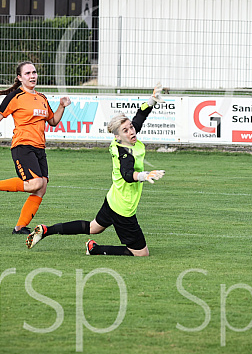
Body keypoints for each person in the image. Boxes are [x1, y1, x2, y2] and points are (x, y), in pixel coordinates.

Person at [25, 84, 165, 256]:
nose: (132, 131)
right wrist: (144, 175)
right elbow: (127, 174)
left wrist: (151, 100)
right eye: (126, 130)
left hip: (113, 198)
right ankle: (96, 249)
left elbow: (139, 116)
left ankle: (47, 230)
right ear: (118, 136)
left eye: (131, 127)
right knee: (141, 254)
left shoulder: (123, 139)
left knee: (93, 227)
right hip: (123, 209)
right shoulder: (125, 153)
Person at [0, 61, 71, 235]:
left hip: (39, 148)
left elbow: (53, 121)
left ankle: (19, 227)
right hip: (22, 146)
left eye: (34, 72)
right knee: (34, 183)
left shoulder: (42, 98)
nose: (32, 76)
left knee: (41, 187)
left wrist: (61, 106)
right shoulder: (16, 96)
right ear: (20, 78)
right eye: (27, 73)